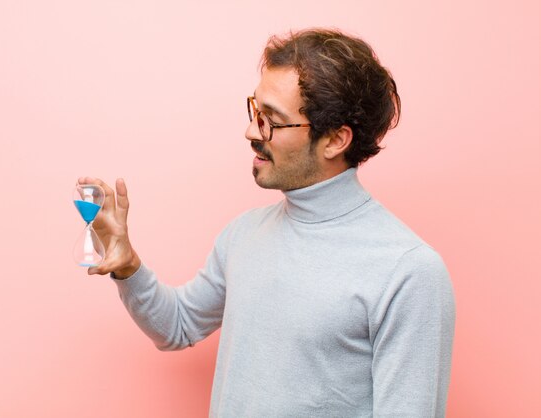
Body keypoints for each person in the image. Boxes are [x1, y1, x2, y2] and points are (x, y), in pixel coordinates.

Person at [78, 28, 455, 417]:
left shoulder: (409, 272)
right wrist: (127, 268)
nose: (251, 132)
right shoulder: (244, 233)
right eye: (255, 112)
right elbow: (178, 325)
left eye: (271, 120)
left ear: (335, 140)